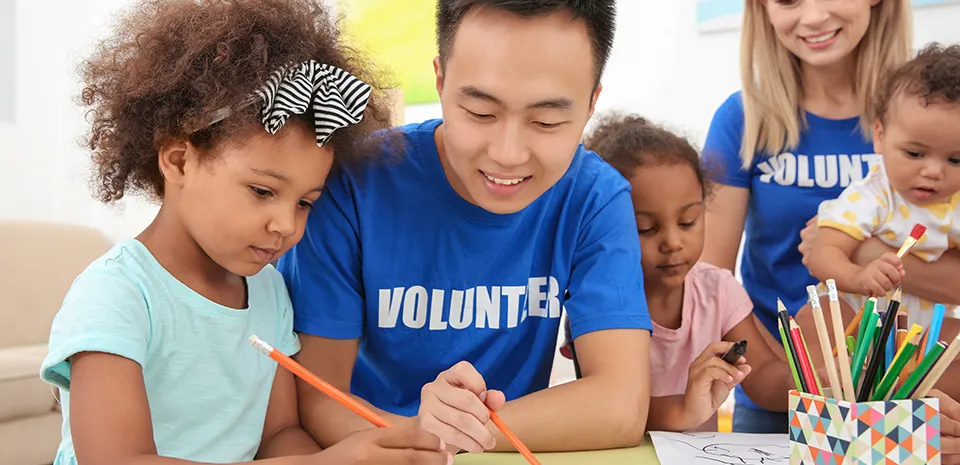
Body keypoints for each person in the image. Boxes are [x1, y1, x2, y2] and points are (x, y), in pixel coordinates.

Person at [38, 1, 451, 464]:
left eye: (305, 203)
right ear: (178, 161)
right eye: (261, 191)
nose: (286, 225)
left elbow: (280, 436)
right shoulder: (116, 295)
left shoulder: (268, 291)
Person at [279, 0, 653, 454]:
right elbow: (318, 399)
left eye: (547, 121)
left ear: (592, 103)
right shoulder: (355, 182)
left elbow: (619, 405)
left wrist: (449, 431)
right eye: (480, 112)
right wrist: (424, 434)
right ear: (440, 80)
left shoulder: (595, 198)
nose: (508, 153)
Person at [698, 0, 960, 432]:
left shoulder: (935, 116)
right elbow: (710, 278)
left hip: (916, 390)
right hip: (783, 393)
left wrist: (863, 252)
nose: (814, 15)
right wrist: (774, 376)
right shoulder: (742, 119)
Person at [560, 113, 797, 432]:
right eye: (646, 228)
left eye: (688, 222)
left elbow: (764, 377)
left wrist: (817, 380)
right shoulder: (595, 301)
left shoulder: (718, 290)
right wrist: (685, 405)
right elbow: (604, 409)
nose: (673, 242)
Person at [806, 43, 960, 329]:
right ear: (880, 136)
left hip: (923, 328)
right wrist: (858, 277)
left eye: (956, 159)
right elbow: (821, 254)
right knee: (822, 315)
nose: (934, 171)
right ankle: (831, 374)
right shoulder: (873, 195)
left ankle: (915, 374)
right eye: (915, 154)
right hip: (859, 316)